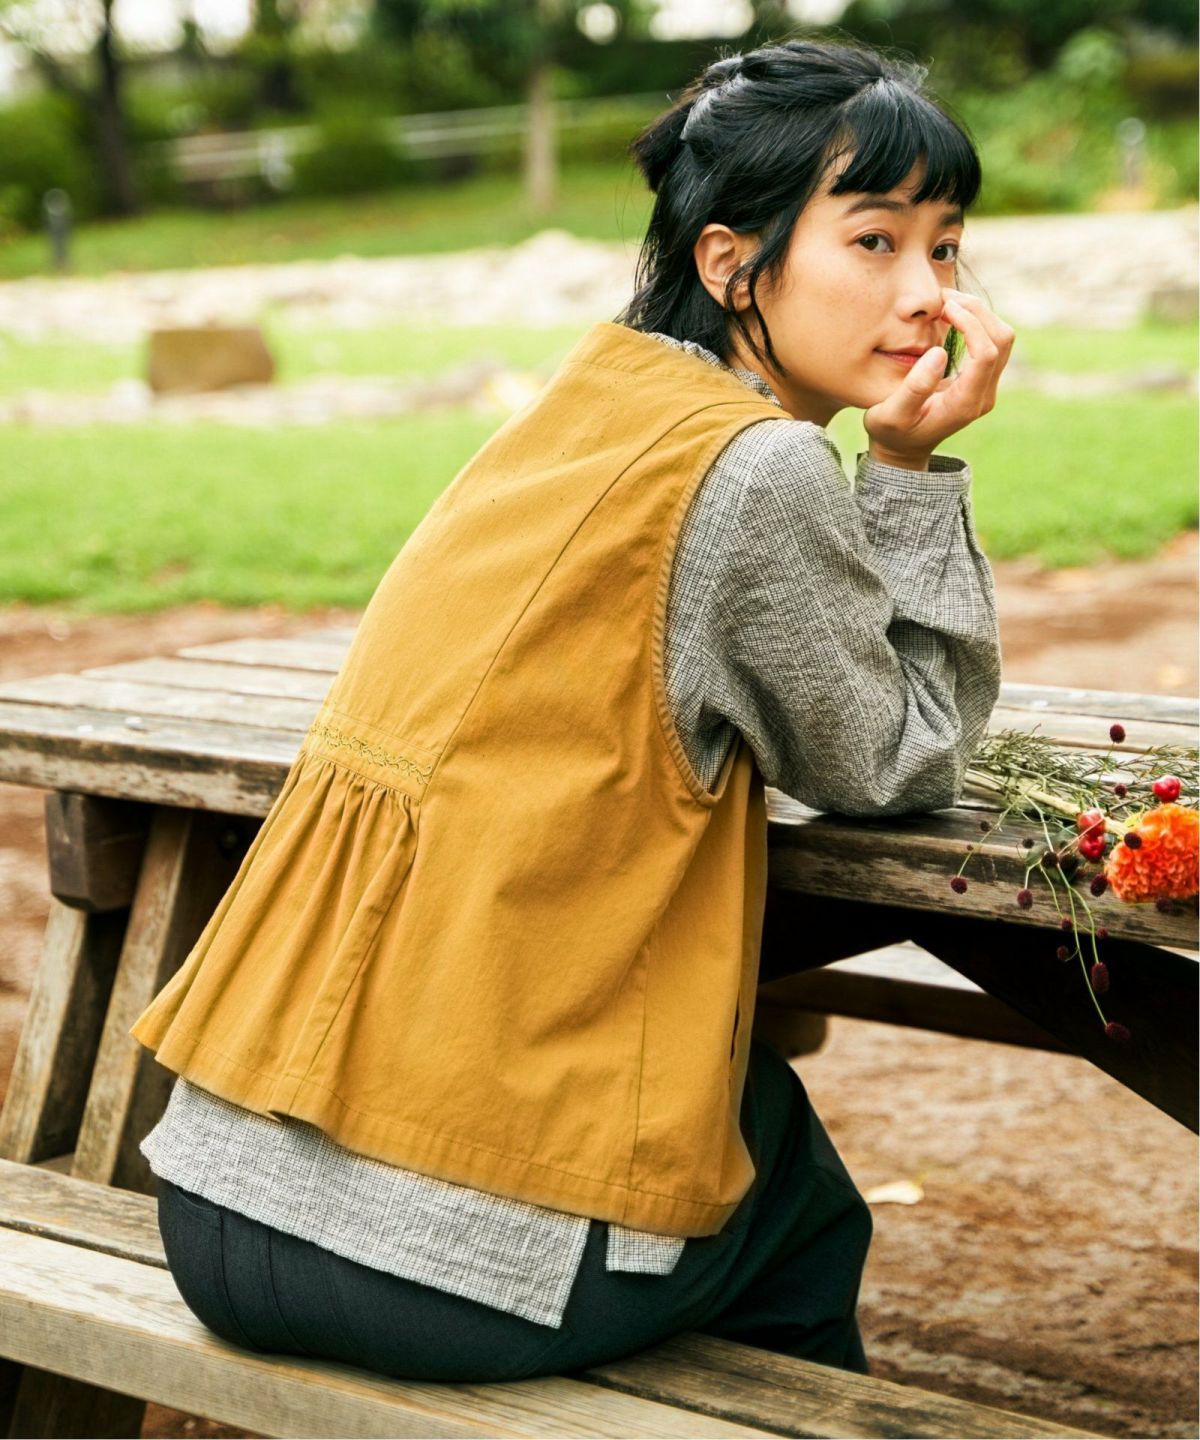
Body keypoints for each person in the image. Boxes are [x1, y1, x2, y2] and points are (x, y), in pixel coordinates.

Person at [129, 36, 1011, 1385]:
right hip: (430, 1261)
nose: (927, 293)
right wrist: (906, 467)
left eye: (945, 247)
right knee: (796, 1212)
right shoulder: (758, 467)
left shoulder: (583, 405)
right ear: (731, 262)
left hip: (213, 1195)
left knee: (738, 1119)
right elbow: (901, 759)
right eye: (876, 240)